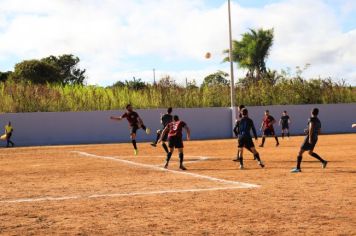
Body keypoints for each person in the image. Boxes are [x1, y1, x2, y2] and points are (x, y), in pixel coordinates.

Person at [291, 108, 327, 173]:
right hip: (315, 137)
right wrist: (308, 131)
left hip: (310, 137)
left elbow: (311, 127)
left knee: (300, 152)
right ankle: (323, 161)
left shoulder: (311, 119)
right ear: (317, 113)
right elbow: (319, 131)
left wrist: (309, 137)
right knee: (310, 152)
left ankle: (298, 168)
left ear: (311, 112)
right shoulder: (318, 121)